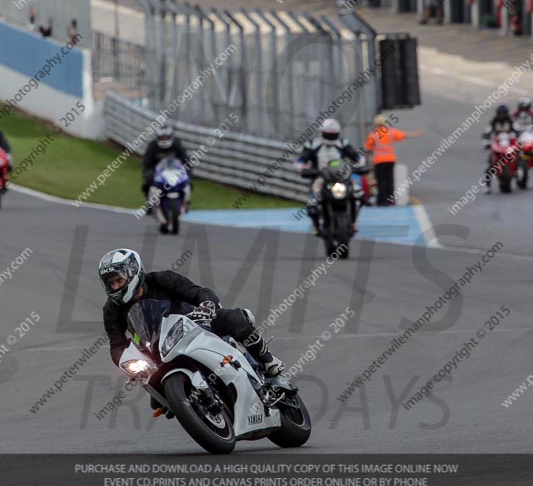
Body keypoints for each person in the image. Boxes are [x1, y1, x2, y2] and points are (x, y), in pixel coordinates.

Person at [98, 248, 286, 416]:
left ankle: (268, 361)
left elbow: (197, 291)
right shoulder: (111, 309)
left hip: (194, 326)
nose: (115, 286)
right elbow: (117, 345)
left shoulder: (162, 279)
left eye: (118, 280)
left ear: (132, 272)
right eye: (110, 282)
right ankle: (189, 405)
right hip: (156, 351)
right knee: (156, 398)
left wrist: (206, 305)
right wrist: (126, 362)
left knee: (236, 318)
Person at [296, 118, 365, 236]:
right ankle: (316, 226)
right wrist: (304, 169)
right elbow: (300, 161)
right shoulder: (312, 144)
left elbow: (357, 157)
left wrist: (359, 166)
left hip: (342, 178)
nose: (331, 137)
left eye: (333, 135)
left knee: (359, 193)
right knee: (312, 202)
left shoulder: (343, 143)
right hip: (321, 179)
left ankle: (353, 222)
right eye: (329, 134)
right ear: (322, 132)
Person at [365, 114, 423, 206]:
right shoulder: (390, 132)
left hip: (379, 161)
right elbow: (404, 135)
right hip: (390, 159)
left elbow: (367, 147)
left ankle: (381, 201)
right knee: (389, 180)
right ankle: (390, 201)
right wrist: (416, 134)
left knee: (381, 181)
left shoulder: (374, 135)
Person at [141, 122, 191, 210]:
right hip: (158, 172)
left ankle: (184, 202)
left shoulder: (177, 144)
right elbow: (147, 163)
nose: (164, 140)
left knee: (188, 183)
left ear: (171, 136)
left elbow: (186, 160)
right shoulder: (152, 146)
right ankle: (149, 203)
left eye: (166, 137)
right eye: (162, 138)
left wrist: (188, 172)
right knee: (146, 185)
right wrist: (148, 175)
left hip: (175, 171)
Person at [483, 104, 515, 193]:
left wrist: (520, 139)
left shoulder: (511, 121)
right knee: (490, 164)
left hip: (508, 144)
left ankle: (518, 175)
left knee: (518, 156)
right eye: (500, 113)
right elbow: (487, 132)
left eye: (504, 113)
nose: (502, 115)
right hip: (497, 144)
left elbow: (517, 131)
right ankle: (487, 186)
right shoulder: (493, 121)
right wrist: (486, 142)